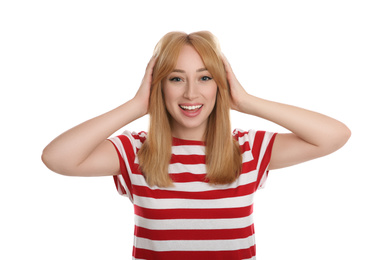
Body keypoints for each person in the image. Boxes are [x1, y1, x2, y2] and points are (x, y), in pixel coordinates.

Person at [42, 31, 351, 259]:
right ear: (158, 86)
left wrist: (246, 101)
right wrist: (137, 106)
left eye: (204, 78)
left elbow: (335, 135)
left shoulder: (248, 149)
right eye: (176, 79)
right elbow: (57, 158)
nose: (191, 93)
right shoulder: (135, 151)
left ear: (221, 84)